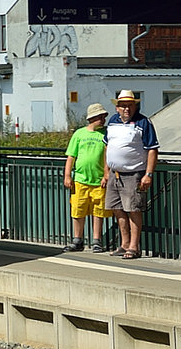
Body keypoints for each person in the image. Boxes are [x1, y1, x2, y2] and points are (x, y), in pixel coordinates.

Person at [103, 89, 159, 260]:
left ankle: (134, 246)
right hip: (115, 173)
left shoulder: (143, 123)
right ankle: (124, 243)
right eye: (123, 106)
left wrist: (148, 174)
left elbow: (152, 149)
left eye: (130, 105)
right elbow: (107, 146)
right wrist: (106, 172)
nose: (126, 109)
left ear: (135, 106)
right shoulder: (112, 122)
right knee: (117, 208)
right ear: (117, 108)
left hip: (133, 173)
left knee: (133, 209)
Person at [62, 102, 111, 253]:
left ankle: (97, 240)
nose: (102, 120)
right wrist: (68, 175)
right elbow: (71, 156)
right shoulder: (79, 134)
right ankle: (78, 239)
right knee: (78, 209)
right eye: (99, 117)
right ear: (91, 118)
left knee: (98, 210)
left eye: (103, 117)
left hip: (98, 180)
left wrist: (106, 174)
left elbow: (108, 155)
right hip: (81, 179)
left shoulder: (106, 134)